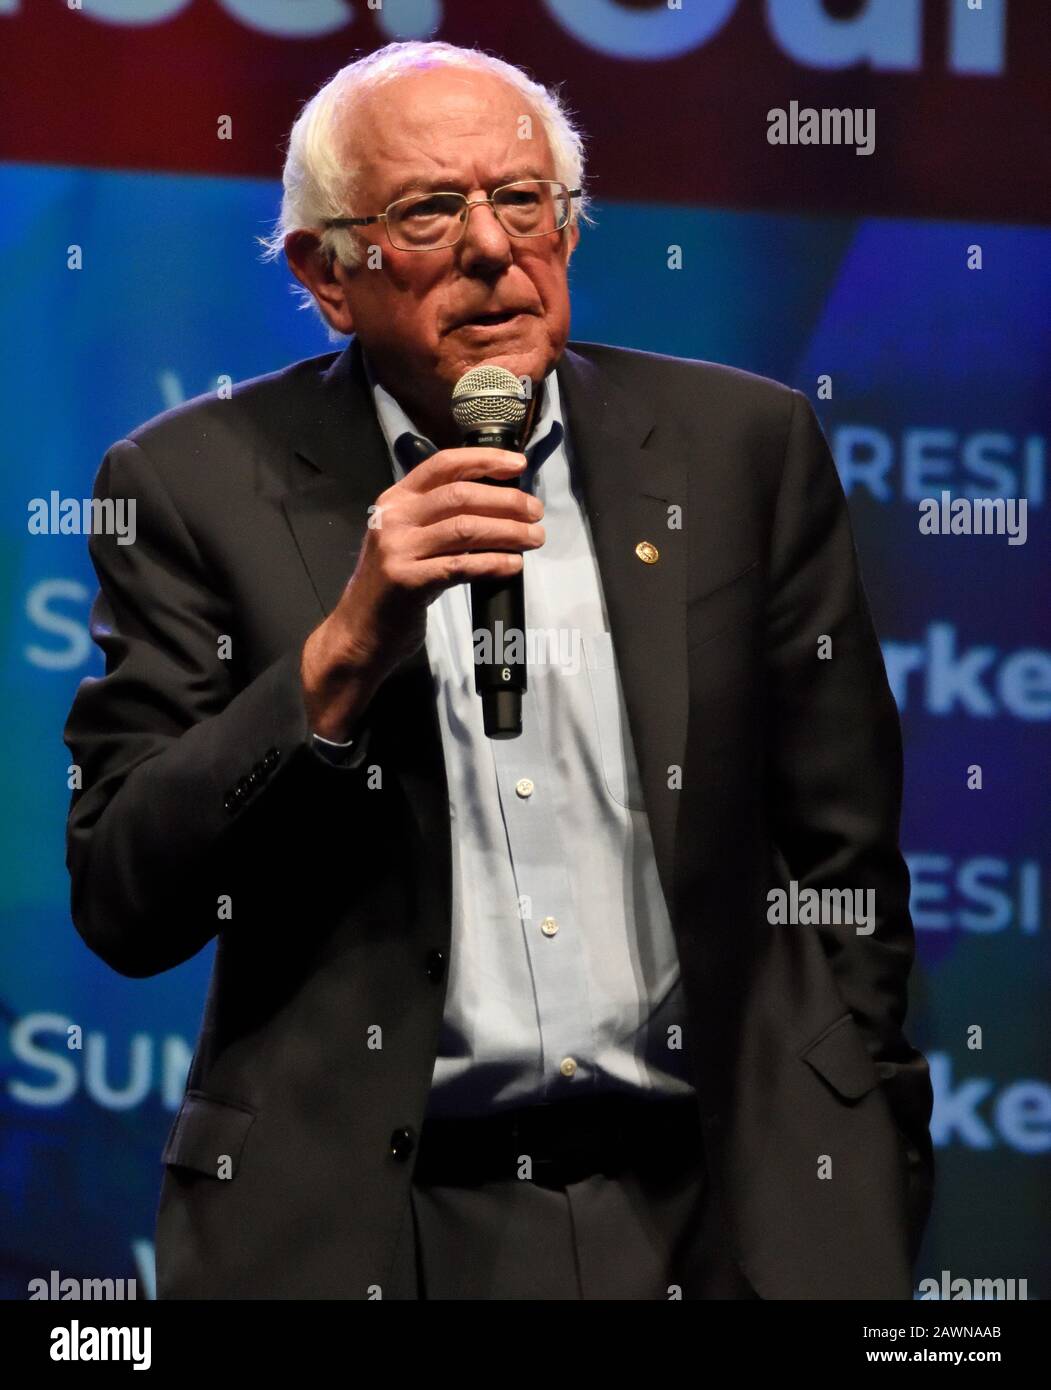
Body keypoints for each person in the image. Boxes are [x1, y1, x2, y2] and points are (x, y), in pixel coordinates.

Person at [64, 40, 933, 1300]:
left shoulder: (741, 451)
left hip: (723, 1212)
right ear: (326, 275)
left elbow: (845, 854)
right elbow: (124, 895)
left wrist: (863, 1143)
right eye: (427, 210)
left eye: (522, 201)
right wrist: (340, 653)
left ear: (568, 230)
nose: (489, 248)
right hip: (376, 1225)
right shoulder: (192, 486)